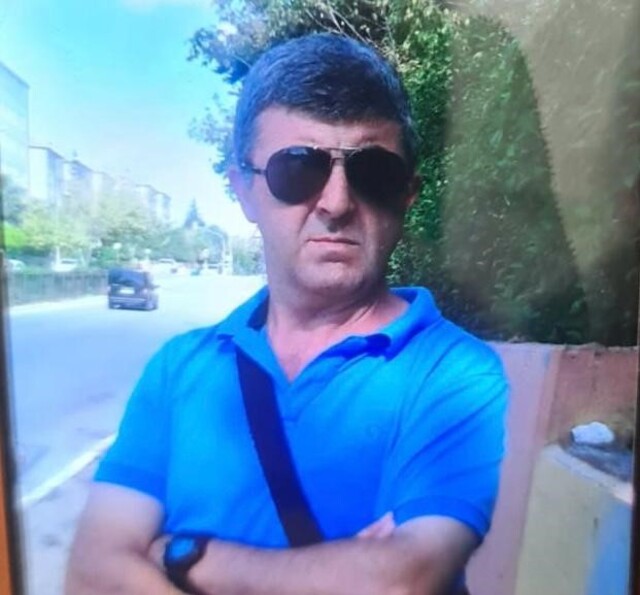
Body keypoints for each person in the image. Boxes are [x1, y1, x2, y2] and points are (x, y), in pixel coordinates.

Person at [66, 33, 508, 595]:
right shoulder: (177, 370)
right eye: (297, 169)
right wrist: (345, 571)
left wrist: (189, 558)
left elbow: (398, 583)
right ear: (244, 191)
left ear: (407, 195)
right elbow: (92, 572)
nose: (336, 203)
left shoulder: (457, 375)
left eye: (373, 173)